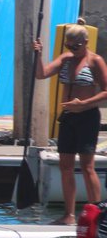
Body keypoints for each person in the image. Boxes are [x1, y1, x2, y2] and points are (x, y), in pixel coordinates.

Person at [34, 24, 107, 225]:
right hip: (68, 118)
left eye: (76, 46)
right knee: (65, 166)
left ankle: (97, 214)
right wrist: (38, 55)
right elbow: (41, 74)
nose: (72, 49)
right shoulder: (65, 59)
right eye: (69, 45)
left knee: (87, 166)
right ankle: (69, 215)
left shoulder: (95, 61)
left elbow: (105, 91)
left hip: (87, 116)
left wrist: (83, 104)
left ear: (86, 43)